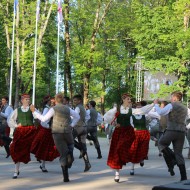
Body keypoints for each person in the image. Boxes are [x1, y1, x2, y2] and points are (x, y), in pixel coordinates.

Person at [104, 93, 154, 182]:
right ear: (123, 99)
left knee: (126, 149)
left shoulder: (131, 110)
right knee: (117, 150)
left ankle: (132, 161)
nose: (130, 101)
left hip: (129, 132)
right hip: (119, 132)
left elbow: (143, 110)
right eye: (128, 99)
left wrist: (153, 104)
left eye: (130, 99)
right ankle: (117, 173)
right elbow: (106, 117)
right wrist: (114, 123)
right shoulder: (117, 109)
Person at [30, 93, 80, 182]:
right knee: (71, 144)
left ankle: (66, 176)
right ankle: (70, 154)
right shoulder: (68, 108)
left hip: (57, 132)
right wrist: (72, 125)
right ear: (63, 100)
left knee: (63, 154)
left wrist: (34, 112)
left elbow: (44, 119)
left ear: (56, 100)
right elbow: (77, 116)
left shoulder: (53, 109)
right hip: (68, 131)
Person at [154, 91, 189, 181]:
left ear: (175, 98)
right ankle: (183, 177)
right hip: (181, 132)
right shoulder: (185, 108)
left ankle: (172, 159)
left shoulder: (172, 105)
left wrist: (156, 104)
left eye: (171, 97)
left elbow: (161, 112)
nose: (170, 99)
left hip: (172, 130)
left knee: (160, 143)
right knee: (179, 154)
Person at [8, 94, 37, 179]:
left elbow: (38, 118)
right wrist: (16, 125)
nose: (28, 100)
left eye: (29, 99)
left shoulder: (32, 109)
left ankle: (43, 165)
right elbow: (10, 119)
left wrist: (34, 112)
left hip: (31, 131)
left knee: (37, 146)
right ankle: (16, 171)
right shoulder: (17, 110)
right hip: (20, 131)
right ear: (22, 101)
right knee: (17, 149)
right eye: (26, 99)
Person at [30, 95, 59, 172]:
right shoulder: (47, 108)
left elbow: (42, 118)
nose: (52, 102)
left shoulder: (51, 108)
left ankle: (42, 164)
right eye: (51, 101)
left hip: (49, 129)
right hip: (46, 129)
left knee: (46, 147)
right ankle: (42, 164)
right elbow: (44, 119)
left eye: (53, 101)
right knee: (44, 147)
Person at [129, 101, 150, 175]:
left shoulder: (145, 115)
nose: (139, 109)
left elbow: (151, 120)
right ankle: (132, 168)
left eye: (140, 107)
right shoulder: (132, 116)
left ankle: (142, 159)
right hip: (135, 134)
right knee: (134, 150)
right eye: (137, 107)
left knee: (143, 148)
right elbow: (130, 124)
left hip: (144, 133)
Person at [72, 94, 91, 172]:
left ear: (79, 100)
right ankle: (87, 163)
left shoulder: (77, 108)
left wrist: (72, 124)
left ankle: (79, 149)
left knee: (69, 140)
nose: (74, 101)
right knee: (83, 146)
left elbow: (74, 117)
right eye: (73, 100)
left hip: (78, 127)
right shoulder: (83, 108)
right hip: (84, 127)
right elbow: (87, 117)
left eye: (75, 100)